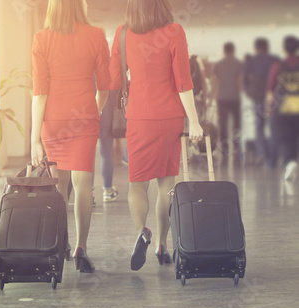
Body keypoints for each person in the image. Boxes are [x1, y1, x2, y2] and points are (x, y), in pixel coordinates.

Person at [109, 0, 203, 271]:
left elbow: (115, 79)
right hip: (170, 117)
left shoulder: (122, 33)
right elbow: (183, 81)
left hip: (138, 117)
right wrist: (194, 121)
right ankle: (162, 245)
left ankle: (142, 231)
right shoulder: (174, 31)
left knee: (137, 184)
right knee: (166, 184)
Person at [30, 0, 110, 273]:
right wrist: (94, 112)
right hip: (84, 120)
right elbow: (105, 86)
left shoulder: (41, 38)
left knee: (60, 187)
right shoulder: (96, 35)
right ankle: (81, 248)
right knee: (83, 183)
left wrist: (34, 140)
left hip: (53, 121)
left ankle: (60, 244)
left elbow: (39, 94)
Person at [266, 36, 299, 181]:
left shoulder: (278, 65)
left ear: (284, 49)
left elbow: (270, 89)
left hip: (283, 108)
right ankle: (293, 161)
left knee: (285, 138)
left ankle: (289, 162)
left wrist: (269, 108)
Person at [244, 38, 280, 166]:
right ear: (267, 47)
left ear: (256, 48)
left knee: (259, 126)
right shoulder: (274, 59)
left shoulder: (251, 61)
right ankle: (273, 156)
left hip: (257, 96)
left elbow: (245, 80)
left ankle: (261, 154)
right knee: (273, 126)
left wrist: (248, 91)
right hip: (274, 96)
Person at [209, 42, 244, 160]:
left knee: (223, 124)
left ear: (224, 51)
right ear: (233, 50)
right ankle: (237, 146)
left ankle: (225, 148)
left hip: (222, 98)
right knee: (237, 123)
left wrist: (211, 98)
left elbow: (214, 82)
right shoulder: (239, 64)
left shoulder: (218, 65)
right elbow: (240, 82)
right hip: (235, 98)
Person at [94, 89, 119, 203]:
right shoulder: (108, 71)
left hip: (87, 110)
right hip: (107, 109)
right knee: (106, 153)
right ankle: (107, 190)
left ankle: (89, 193)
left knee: (88, 156)